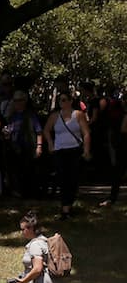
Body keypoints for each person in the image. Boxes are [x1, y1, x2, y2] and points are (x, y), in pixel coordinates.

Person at [43, 90, 91, 219]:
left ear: (70, 101)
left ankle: (68, 205)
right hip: (60, 150)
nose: (62, 103)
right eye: (60, 100)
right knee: (62, 179)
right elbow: (46, 130)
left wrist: (86, 150)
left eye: (64, 100)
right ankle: (65, 208)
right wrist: (50, 143)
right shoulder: (55, 116)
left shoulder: (78, 115)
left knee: (73, 179)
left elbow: (86, 133)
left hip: (75, 150)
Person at [13, 211, 59, 283]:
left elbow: (37, 268)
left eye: (23, 229)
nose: (22, 232)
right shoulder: (43, 241)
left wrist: (23, 280)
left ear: (30, 229)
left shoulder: (35, 245)